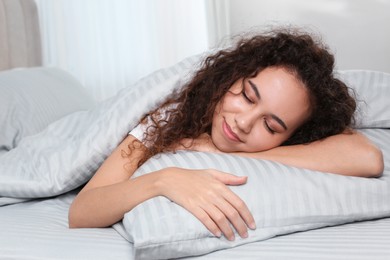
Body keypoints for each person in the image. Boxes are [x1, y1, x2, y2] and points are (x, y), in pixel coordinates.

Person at [68, 28, 384, 242]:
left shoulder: (283, 136)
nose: (244, 122)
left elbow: (367, 158)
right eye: (246, 95)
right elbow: (82, 211)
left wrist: (220, 153)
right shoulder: (169, 114)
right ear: (232, 75)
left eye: (271, 126)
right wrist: (162, 180)